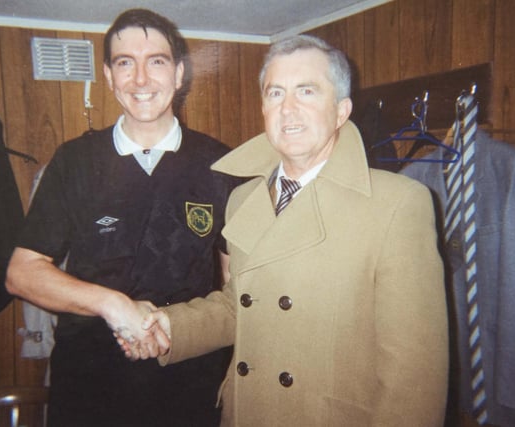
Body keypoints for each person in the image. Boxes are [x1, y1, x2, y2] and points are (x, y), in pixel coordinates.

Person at [123, 34, 450, 426]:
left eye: (306, 91)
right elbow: (240, 304)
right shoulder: (244, 197)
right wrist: (170, 325)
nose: (288, 108)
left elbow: (415, 378)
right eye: (275, 93)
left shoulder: (398, 204)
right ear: (263, 107)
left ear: (341, 110)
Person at [5, 8, 238, 427]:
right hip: (89, 388)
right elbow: (21, 274)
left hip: (189, 385)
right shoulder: (74, 162)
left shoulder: (222, 166)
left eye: (157, 61)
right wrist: (113, 305)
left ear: (179, 74)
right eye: (125, 63)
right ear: (109, 78)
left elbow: (236, 292)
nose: (141, 79)